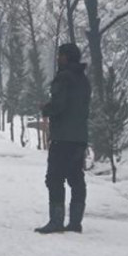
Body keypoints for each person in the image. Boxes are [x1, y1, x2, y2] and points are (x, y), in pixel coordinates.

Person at [35, 42, 91, 234]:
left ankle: (56, 221)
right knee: (76, 178)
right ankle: (75, 222)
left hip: (63, 137)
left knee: (54, 178)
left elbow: (59, 106)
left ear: (66, 57)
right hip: (80, 137)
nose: (58, 58)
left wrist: (46, 108)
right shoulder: (83, 80)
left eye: (60, 55)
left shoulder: (63, 78)